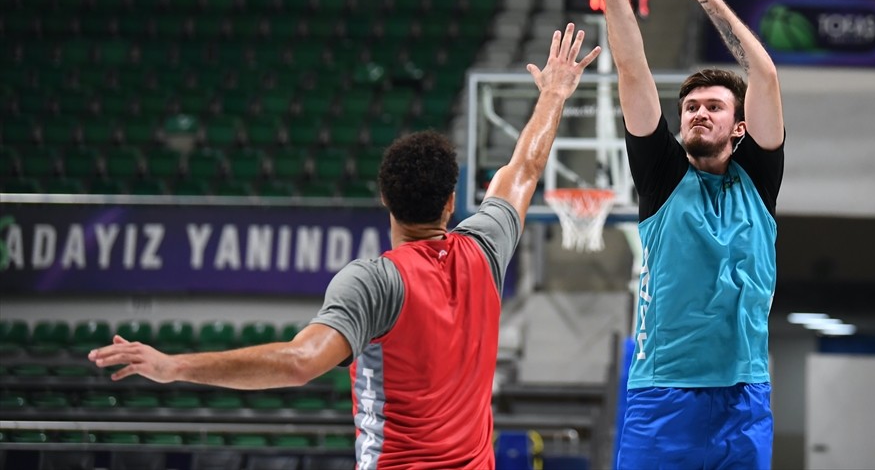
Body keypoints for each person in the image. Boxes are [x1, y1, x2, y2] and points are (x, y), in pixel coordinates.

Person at [89, 24, 602, 470]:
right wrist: (555, 92)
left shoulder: (374, 281)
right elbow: (525, 168)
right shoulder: (488, 247)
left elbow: (297, 362)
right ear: (451, 202)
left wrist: (175, 365)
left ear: (384, 198)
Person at [558, 0, 785, 470]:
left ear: (741, 126)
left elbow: (766, 76)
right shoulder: (661, 176)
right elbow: (633, 72)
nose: (699, 113)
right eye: (690, 107)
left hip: (744, 398)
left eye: (714, 106)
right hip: (663, 396)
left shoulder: (758, 179)